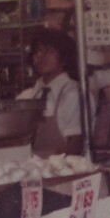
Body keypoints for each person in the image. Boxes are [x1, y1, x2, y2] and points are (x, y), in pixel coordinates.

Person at [16, 28, 83, 156]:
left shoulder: (74, 95)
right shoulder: (27, 96)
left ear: (64, 57)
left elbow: (76, 145)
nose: (40, 56)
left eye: (48, 51)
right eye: (37, 51)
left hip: (64, 170)